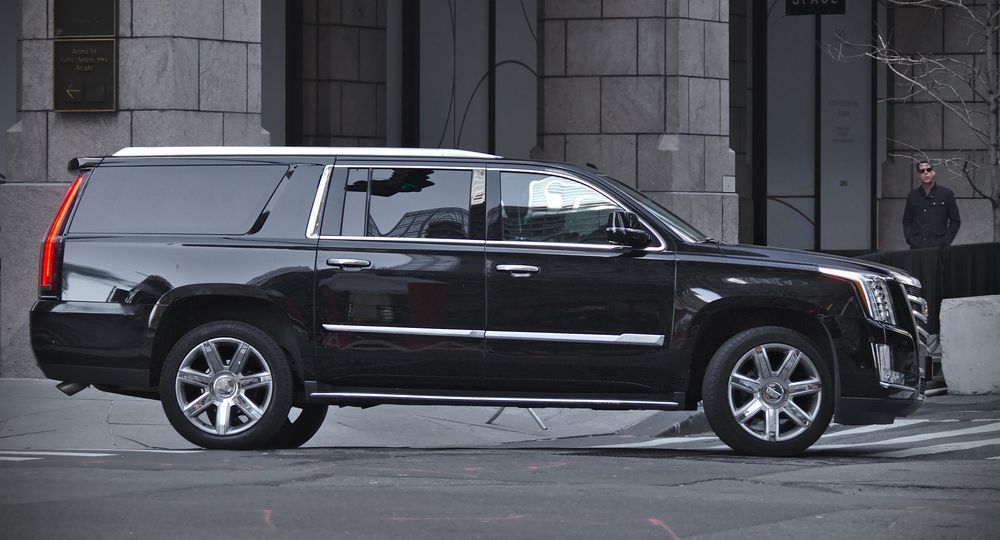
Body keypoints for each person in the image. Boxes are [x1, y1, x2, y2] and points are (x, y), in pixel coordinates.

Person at [902, 160, 961, 249]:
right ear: (918, 175)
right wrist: (910, 239)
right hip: (917, 247)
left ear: (933, 172)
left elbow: (955, 221)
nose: (926, 173)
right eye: (922, 171)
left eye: (928, 170)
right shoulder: (912, 196)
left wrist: (946, 241)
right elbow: (907, 221)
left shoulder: (946, 194)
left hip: (939, 248)